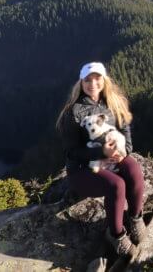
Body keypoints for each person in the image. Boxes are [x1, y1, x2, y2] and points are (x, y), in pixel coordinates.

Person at [56, 61, 146, 258]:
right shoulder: (73, 112)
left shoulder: (115, 103)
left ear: (105, 80)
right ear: (81, 83)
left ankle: (135, 218)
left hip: (112, 157)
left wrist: (121, 153)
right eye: (87, 80)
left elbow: (127, 139)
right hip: (82, 169)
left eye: (97, 78)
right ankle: (116, 234)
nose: (93, 84)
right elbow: (71, 152)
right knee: (117, 185)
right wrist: (102, 153)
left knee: (133, 170)